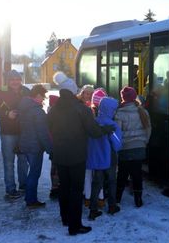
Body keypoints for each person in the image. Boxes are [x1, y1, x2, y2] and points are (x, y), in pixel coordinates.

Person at [47, 72, 114, 236]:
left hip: (60, 154)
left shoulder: (53, 109)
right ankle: (75, 225)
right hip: (77, 156)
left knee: (64, 187)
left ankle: (64, 218)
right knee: (76, 190)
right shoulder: (81, 109)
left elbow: (49, 127)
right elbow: (94, 132)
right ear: (73, 91)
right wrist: (106, 129)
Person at [87, 97, 122, 220]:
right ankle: (112, 206)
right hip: (110, 158)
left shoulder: (94, 122)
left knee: (96, 183)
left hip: (97, 158)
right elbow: (117, 144)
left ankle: (93, 209)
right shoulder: (112, 125)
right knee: (112, 181)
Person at [115, 86, 151, 208]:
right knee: (137, 174)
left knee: (122, 174)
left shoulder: (119, 113)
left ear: (123, 98)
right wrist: (144, 142)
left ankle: (117, 199)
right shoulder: (143, 111)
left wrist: (118, 146)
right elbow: (148, 129)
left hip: (125, 148)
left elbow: (117, 133)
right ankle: (138, 200)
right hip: (139, 147)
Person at [0, 70, 30, 199]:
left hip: (24, 131)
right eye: (12, 79)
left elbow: (33, 106)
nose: (15, 82)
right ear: (8, 81)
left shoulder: (26, 91)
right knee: (9, 162)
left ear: (20, 79)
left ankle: (24, 185)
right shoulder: (2, 91)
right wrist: (6, 114)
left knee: (23, 160)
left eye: (17, 79)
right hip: (8, 132)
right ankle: (10, 189)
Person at [18, 84, 53, 209]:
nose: (43, 99)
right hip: (34, 146)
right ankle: (31, 200)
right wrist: (50, 150)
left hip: (25, 143)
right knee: (34, 173)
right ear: (37, 95)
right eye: (43, 97)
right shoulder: (37, 111)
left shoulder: (24, 107)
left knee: (31, 172)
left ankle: (29, 197)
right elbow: (42, 133)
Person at [84, 87, 107, 208]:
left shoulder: (87, 112)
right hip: (101, 151)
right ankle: (101, 198)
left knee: (87, 175)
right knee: (99, 176)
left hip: (88, 149)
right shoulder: (106, 117)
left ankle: (87, 198)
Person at [48, 94, 60, 200]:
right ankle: (56, 187)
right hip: (56, 145)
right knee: (57, 168)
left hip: (52, 147)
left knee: (54, 168)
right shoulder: (54, 115)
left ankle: (54, 187)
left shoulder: (49, 113)